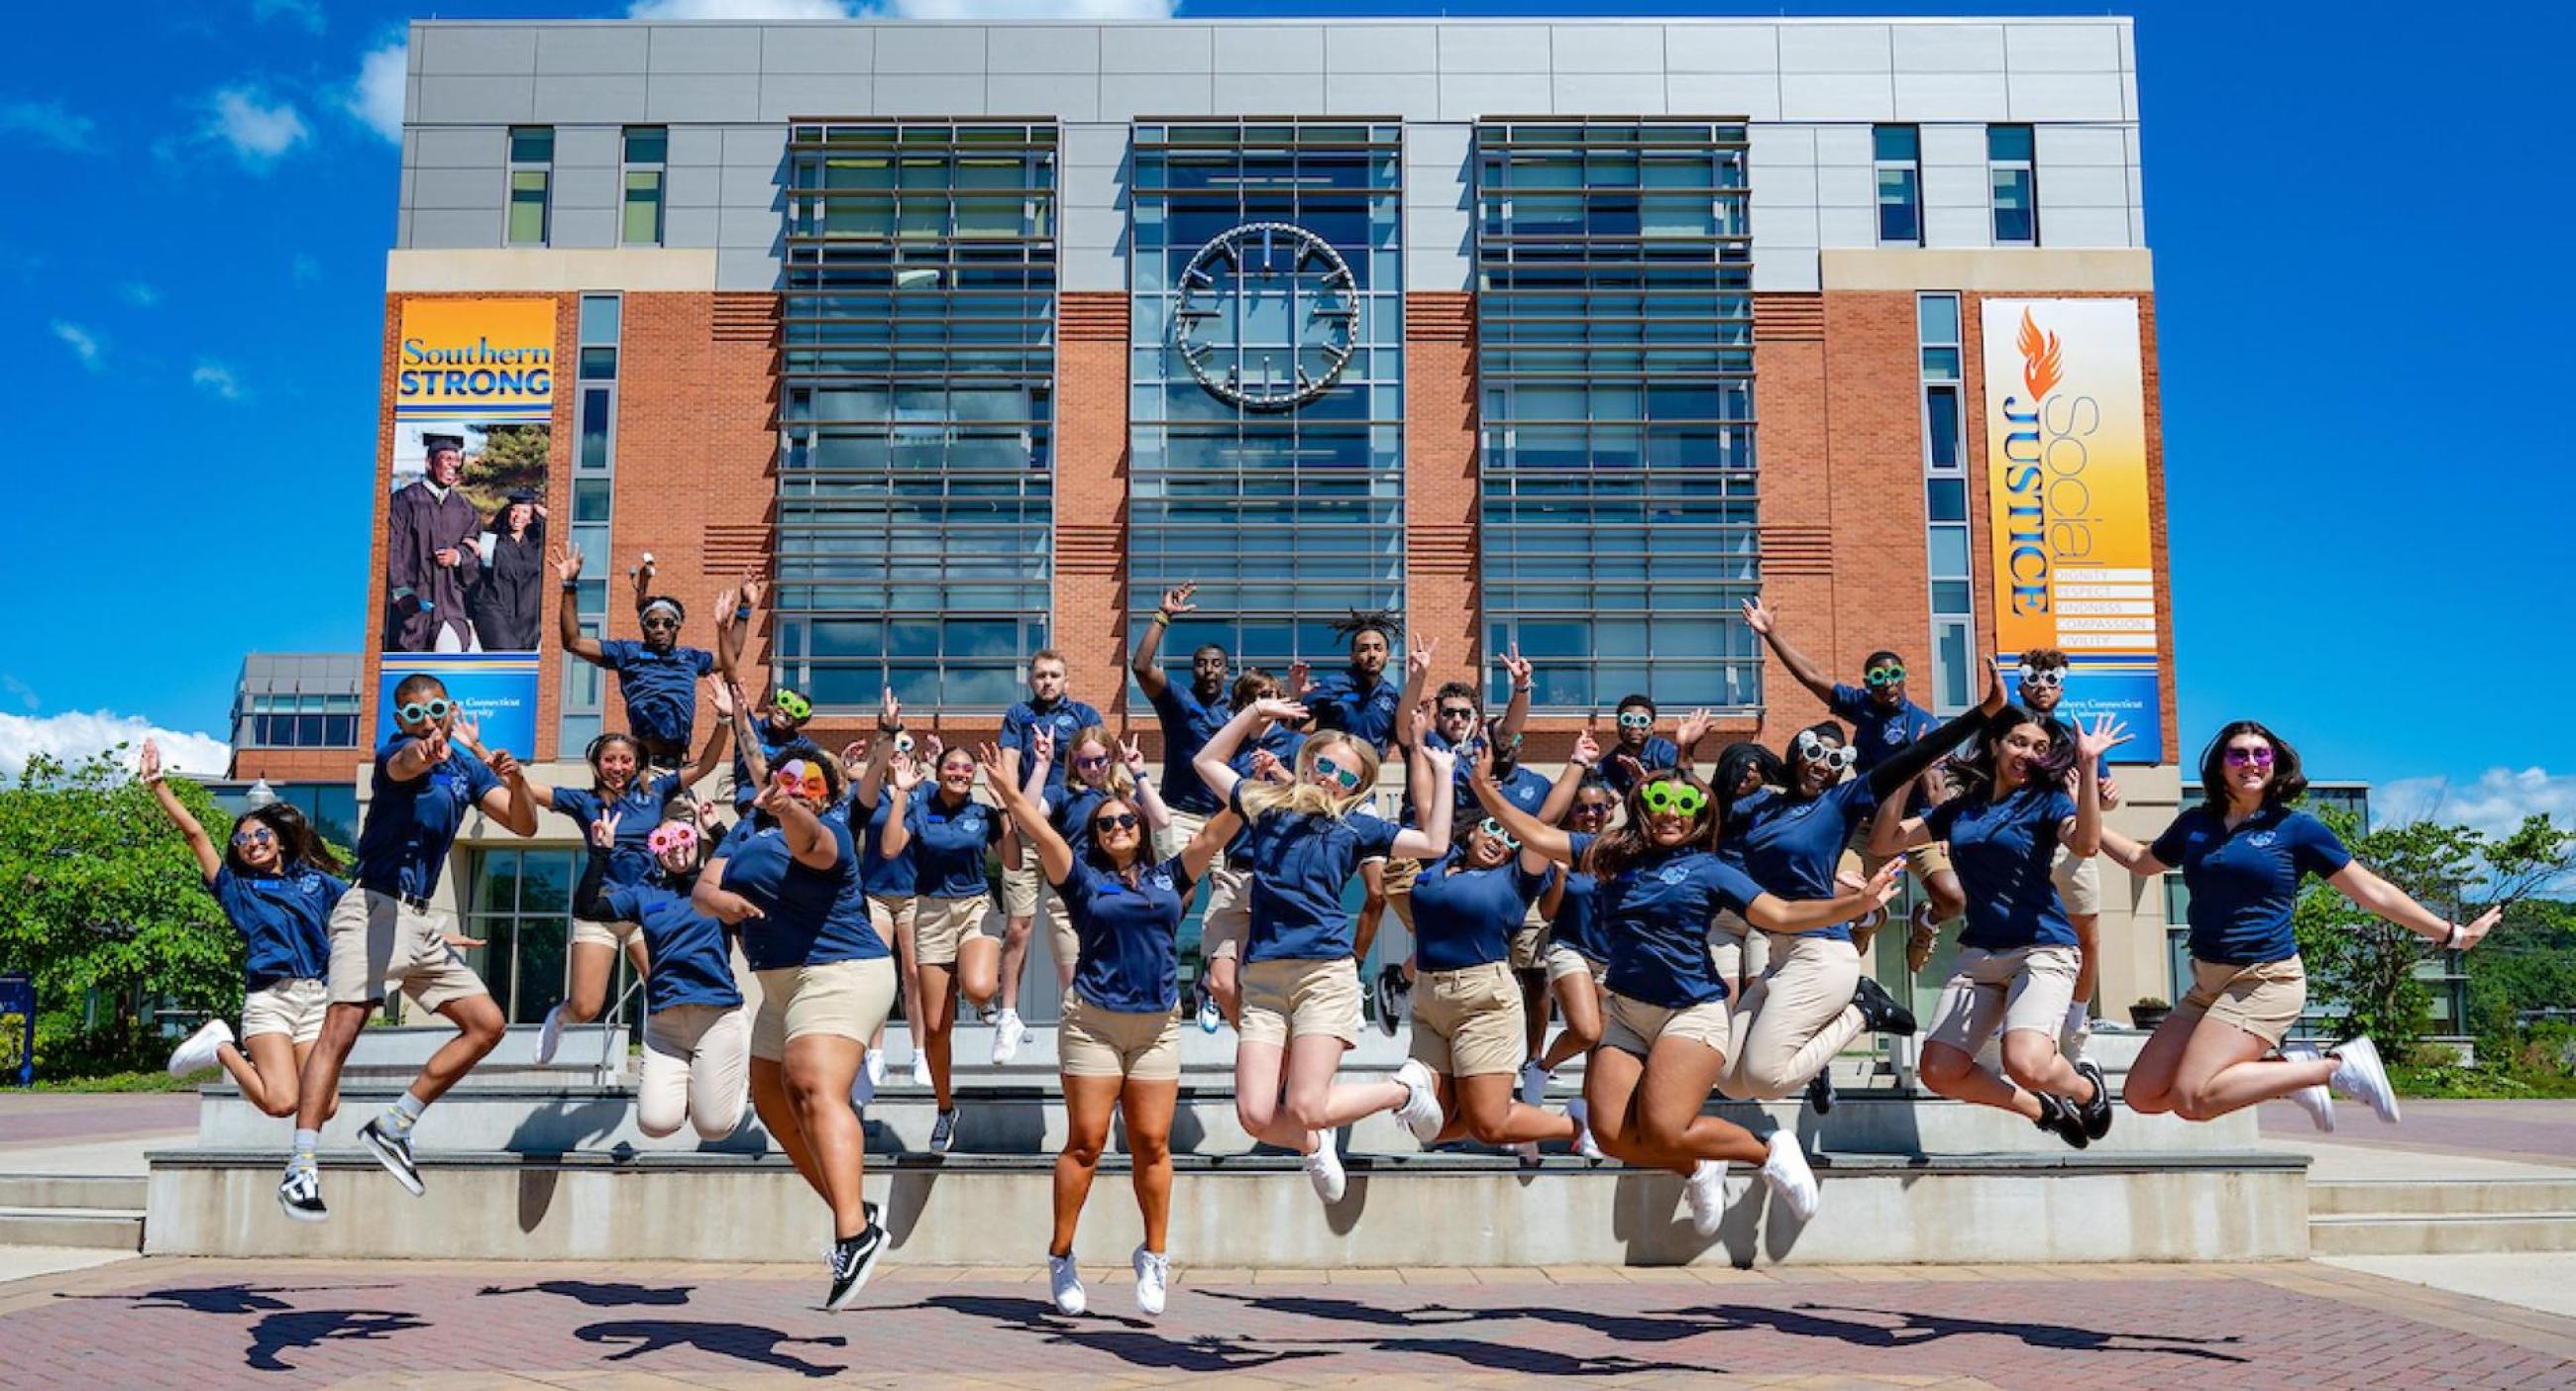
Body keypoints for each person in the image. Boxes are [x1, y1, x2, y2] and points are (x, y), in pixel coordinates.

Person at [1476, 764, 1902, 1230]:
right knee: (1611, 1136)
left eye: (1686, 804)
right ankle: (1700, 1166)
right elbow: (1536, 835)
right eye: (1661, 801)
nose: (1672, 813)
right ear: (1643, 804)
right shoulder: (1612, 854)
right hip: (1626, 1012)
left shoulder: (1710, 869)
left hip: (1690, 1013)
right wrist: (1481, 788)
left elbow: (1780, 912)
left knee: (1663, 1128)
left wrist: (1855, 906)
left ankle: (1768, 1149)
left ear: (1701, 813)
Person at [2095, 722, 2494, 1128]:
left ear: (2275, 765)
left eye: (2261, 754)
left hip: (2265, 980)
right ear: (2219, 766)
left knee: (2194, 1098)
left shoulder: (2295, 829)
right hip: (2208, 987)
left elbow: (2372, 891)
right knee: (2144, 1094)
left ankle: (2334, 1066)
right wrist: (2082, 822)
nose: (2251, 762)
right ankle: (2292, 1069)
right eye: (2239, 754)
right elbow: (2140, 862)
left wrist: (2453, 934)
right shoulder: (2196, 824)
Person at [980, 743, 1235, 1319]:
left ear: (1141, 829)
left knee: (1151, 1144)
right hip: (1093, 1022)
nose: (1118, 826)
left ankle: (1155, 1254)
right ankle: (1062, 1254)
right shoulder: (1084, 881)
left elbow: (1211, 838)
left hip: (1157, 1026)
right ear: (1096, 836)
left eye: (1126, 820)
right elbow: (1044, 838)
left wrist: (1249, 794)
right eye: (1106, 823)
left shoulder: (1171, 877)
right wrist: (1010, 793)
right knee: (1087, 1142)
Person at [278, 676, 539, 1223]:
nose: (428, 719)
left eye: (436, 710)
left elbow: (523, 825)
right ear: (401, 721)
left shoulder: (467, 770)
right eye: (415, 713)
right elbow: (406, 765)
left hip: (420, 922)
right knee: (342, 1029)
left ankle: (394, 1124)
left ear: (450, 710)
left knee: (487, 1025)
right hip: (371, 910)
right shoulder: (396, 751)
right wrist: (424, 748)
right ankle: (301, 1167)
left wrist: (512, 780)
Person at [1194, 697, 1452, 1206]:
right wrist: (1255, 712)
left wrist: (1441, 771)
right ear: (1308, 762)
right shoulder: (1266, 806)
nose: (1331, 778)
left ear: (1357, 790)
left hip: (1323, 974)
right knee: (1254, 1114)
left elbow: (1436, 843)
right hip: (1264, 979)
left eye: (1346, 777)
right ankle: (1315, 1144)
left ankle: (1405, 1090)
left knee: (1308, 1104)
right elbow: (1205, 762)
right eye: (1325, 766)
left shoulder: (1357, 828)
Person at [1868, 672, 2126, 1149]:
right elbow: (1885, 841)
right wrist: (1909, 769)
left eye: (2039, 747)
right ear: (1994, 745)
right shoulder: (1962, 809)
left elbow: (2087, 845)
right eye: (2018, 742)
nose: (2028, 753)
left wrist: (2088, 768)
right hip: (1981, 954)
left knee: (2024, 1062)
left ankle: (2086, 1087)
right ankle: (2041, 1109)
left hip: (2042, 947)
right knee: (1940, 1072)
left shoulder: (2046, 802)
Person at [694, 744, 897, 1310]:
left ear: (827, 792)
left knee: (811, 1084)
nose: (796, 785)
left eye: (811, 779)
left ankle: (854, 1233)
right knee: (774, 1104)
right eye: (786, 778)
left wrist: (789, 807)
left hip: (841, 973)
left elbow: (809, 841)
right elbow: (701, 891)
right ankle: (854, 1210)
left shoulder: (827, 830)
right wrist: (722, 901)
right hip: (781, 986)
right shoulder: (745, 831)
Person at [1743, 598, 1967, 971]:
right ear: (1868, 683)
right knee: (1833, 888)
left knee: (1954, 897)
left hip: (1913, 826)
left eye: (1894, 674)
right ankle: (1867, 920)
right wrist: (1772, 634)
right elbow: (1812, 677)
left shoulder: (1921, 721)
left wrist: (1941, 828)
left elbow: (1934, 781)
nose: (1887, 683)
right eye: (1878, 678)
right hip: (1867, 824)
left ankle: (1925, 922)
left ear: (1904, 677)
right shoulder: (1862, 706)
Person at [1716, 722, 1924, 1115]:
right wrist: (1686, 756)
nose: (1821, 765)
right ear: (1797, 752)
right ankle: (1824, 1042)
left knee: (1764, 1077)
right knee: (1728, 1079)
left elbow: (1897, 770)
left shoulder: (1837, 803)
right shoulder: (1764, 806)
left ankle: (1864, 1011)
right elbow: (1713, 807)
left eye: (1834, 759)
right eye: (1814, 753)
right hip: (1781, 953)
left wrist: (1984, 714)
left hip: (1819, 950)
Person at [147, 740, 348, 1123]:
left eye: (260, 836)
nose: (251, 844)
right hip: (270, 1001)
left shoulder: (315, 882)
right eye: (242, 841)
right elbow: (195, 835)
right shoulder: (236, 889)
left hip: (315, 1001)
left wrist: (428, 937)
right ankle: (221, 1046)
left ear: (280, 840)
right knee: (280, 1103)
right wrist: (158, 784)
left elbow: (367, 910)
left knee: (327, 1105)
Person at [1405, 747, 1590, 1160]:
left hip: (1483, 999)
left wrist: (1575, 763)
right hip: (1429, 1000)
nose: (1499, 841)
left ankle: (1575, 1123)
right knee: (1433, 1126)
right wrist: (1438, 765)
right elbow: (1425, 805)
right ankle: (1521, 1124)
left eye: (1509, 838)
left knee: (1488, 1124)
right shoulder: (1439, 861)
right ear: (1471, 830)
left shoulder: (1515, 879)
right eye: (1492, 829)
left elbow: (1543, 824)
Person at [526, 707, 733, 1066]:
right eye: (610, 760)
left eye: (625, 760)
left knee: (666, 985)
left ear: (637, 762)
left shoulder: (655, 793)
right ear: (596, 764)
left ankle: (664, 1058)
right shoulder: (583, 802)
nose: (618, 767)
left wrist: (723, 721)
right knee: (587, 1006)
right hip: (602, 908)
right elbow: (529, 789)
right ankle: (559, 1017)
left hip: (646, 908)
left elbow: (707, 764)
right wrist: (491, 763)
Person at [573, 808, 748, 1143]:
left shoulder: (715, 888)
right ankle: (695, 1089)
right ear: (655, 848)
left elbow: (744, 862)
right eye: (664, 841)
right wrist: (599, 853)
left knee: (714, 1129)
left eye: (683, 836)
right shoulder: (644, 893)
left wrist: (718, 829)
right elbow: (586, 909)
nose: (676, 846)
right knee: (656, 1124)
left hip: (717, 1016)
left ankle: (733, 1075)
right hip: (665, 1023)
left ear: (695, 841)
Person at [879, 742, 1009, 1152]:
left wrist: (1005, 806)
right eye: (951, 766)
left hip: (974, 906)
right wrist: (900, 791)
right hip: (930, 912)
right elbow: (888, 848)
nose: (959, 772)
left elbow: (1015, 860)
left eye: (967, 768)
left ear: (974, 776)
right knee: (936, 1028)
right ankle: (944, 1108)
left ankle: (988, 1002)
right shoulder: (920, 807)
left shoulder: (982, 813)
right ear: (939, 771)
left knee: (980, 987)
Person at [993, 650, 1105, 1064]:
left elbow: (1100, 760)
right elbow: (1007, 767)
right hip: (1030, 826)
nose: (1047, 682)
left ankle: (1081, 1011)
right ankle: (1008, 1016)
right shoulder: (1019, 715)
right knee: (1019, 926)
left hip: (1071, 831)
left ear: (1067, 680)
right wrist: (1008, 810)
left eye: (1055, 675)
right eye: (1040, 676)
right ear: (1031, 680)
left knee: (1076, 923)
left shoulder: (1084, 713)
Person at [2015, 648, 2120, 1059]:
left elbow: (2101, 799)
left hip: (2071, 846)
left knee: (2086, 936)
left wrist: (2104, 795)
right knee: (2016, 935)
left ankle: (2076, 1017)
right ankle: (2018, 1020)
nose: (2043, 687)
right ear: (2020, 683)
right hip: (2022, 848)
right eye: (2034, 678)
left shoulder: (2075, 737)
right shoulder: (2006, 733)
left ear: (2063, 686)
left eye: (2052, 679)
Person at [1025, 724, 1174, 996]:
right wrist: (1041, 766)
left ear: (1112, 758)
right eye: (1084, 762)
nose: (1093, 768)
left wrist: (1139, 772)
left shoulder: (1125, 795)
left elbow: (1161, 820)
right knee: (1075, 993)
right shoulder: (1064, 794)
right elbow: (1028, 818)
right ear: (1074, 762)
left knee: (1118, 988)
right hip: (1073, 900)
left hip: (1120, 898)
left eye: (1099, 760)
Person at [1194, 669, 1303, 1032]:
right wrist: (1252, 783)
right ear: (1244, 706)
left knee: (1271, 982)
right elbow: (1217, 784)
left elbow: (1314, 800)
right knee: (1222, 983)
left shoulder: (1294, 744)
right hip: (1235, 870)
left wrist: (1280, 775)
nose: (1271, 701)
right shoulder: (1231, 747)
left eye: (1274, 693)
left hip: (1277, 870)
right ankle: (1258, 1045)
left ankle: (1273, 1058)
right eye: (1261, 697)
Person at [554, 545, 717, 771]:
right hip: (645, 769)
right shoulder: (627, 653)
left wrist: (743, 612)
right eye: (653, 623)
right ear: (643, 627)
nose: (660, 629)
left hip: (679, 768)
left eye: (668, 623)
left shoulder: (689, 658)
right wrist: (569, 586)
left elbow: (731, 660)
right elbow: (574, 643)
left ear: (677, 627)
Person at [1525, 763, 1617, 1142]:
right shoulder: (1559, 849)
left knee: (1602, 1044)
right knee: (1585, 1030)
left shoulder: (1618, 851)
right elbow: (1547, 912)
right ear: (1571, 813)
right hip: (1569, 948)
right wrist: (1561, 873)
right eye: (1583, 808)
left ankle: (1588, 1116)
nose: (1591, 815)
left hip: (1611, 956)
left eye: (1598, 808)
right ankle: (1542, 1067)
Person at [1129, 582, 1233, 859]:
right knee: (1177, 896)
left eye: (1216, 664)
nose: (1208, 670)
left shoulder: (1238, 709)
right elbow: (1141, 667)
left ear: (1227, 670)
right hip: (1178, 813)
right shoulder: (1178, 699)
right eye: (1201, 663)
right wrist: (1163, 616)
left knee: (1224, 899)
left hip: (1223, 816)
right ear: (1193, 668)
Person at [383, 433, 483, 654]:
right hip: (412, 601)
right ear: (429, 462)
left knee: (450, 660)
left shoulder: (465, 508)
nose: (452, 465)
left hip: (450, 603)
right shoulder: (405, 500)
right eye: (446, 458)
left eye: (456, 461)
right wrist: (400, 590)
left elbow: (472, 547)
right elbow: (392, 547)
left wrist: (457, 556)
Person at [1707, 741, 1787, 999]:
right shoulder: (1713, 805)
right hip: (1724, 914)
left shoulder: (1773, 801)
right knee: (1725, 995)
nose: (1745, 774)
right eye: (1739, 767)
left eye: (1753, 769)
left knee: (1759, 988)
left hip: (1761, 910)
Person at [1295, 608, 1432, 755]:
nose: (1372, 654)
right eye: (1364, 649)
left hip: (1368, 774)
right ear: (1352, 656)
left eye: (1378, 649)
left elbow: (1402, 738)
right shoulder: (1331, 685)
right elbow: (1292, 723)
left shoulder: (1390, 695)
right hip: (1332, 773)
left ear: (1387, 656)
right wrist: (1296, 696)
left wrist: (1416, 679)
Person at [467, 488, 547, 652]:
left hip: (528, 618)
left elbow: (566, 530)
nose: (518, 516)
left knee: (523, 666)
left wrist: (543, 510)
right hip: (494, 611)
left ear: (531, 518)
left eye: (525, 511)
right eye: (514, 510)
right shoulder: (490, 540)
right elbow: (475, 571)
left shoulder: (537, 545)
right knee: (504, 656)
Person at [1601, 696, 1714, 801]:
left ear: (1652, 728)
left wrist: (1686, 749)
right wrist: (1610, 794)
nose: (1634, 726)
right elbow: (1599, 784)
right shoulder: (1610, 762)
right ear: (1618, 725)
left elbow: (1685, 784)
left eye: (1642, 721)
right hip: (1636, 818)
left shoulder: (1663, 751)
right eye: (1627, 720)